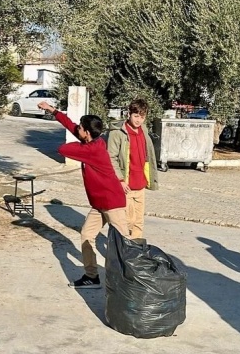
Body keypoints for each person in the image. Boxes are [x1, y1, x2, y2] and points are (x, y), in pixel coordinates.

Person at [37, 101, 130, 289]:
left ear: (87, 133)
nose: (76, 129)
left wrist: (78, 140)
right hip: (99, 204)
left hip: (112, 202)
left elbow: (63, 149)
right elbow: (71, 125)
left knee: (124, 243)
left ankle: (131, 278)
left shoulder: (92, 150)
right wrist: (53, 111)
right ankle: (91, 276)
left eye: (80, 128)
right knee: (87, 235)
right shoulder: (91, 142)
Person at [106, 99, 158, 240]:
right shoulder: (117, 133)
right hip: (125, 186)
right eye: (136, 116)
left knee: (139, 223)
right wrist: (120, 180)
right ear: (129, 114)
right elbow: (111, 158)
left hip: (140, 185)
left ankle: (136, 253)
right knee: (127, 222)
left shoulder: (144, 130)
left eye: (142, 117)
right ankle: (121, 250)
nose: (138, 120)